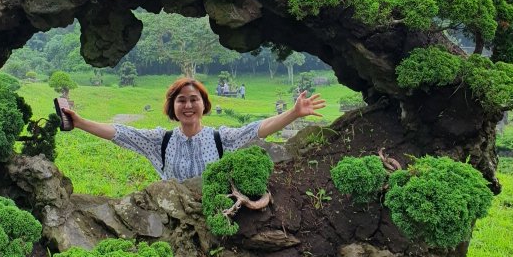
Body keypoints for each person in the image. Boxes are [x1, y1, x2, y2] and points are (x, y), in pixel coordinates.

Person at [61, 77, 326, 181]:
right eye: (181, 100)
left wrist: (293, 113)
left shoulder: (222, 138)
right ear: (173, 106)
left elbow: (258, 129)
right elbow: (120, 133)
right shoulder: (159, 141)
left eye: (194, 99)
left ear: (204, 104)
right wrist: (80, 122)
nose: (188, 105)